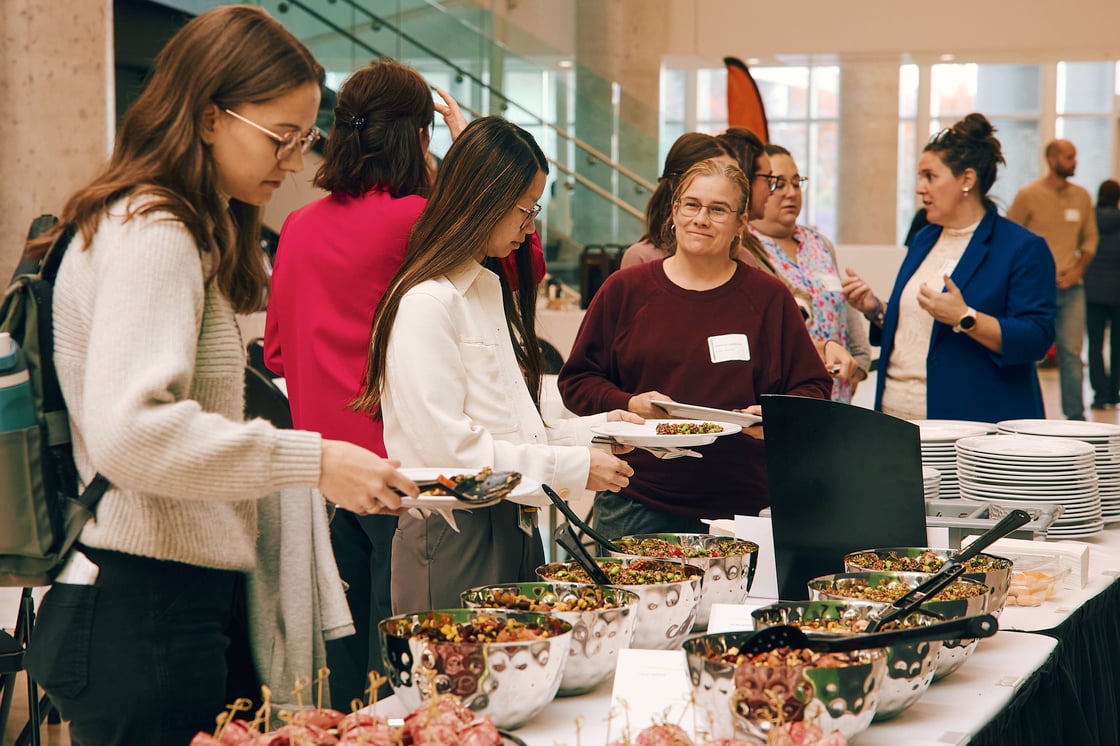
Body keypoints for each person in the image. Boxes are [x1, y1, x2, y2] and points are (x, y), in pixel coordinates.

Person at [20, 7, 417, 745]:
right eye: (280, 138)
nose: (294, 163)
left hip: (145, 596)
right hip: (143, 606)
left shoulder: (151, 222)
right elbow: (133, 434)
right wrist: (314, 459)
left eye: (305, 140)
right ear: (208, 117)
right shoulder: (157, 231)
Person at [352, 116, 637, 613]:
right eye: (524, 210)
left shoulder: (485, 286)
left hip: (512, 520)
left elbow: (509, 429)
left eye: (535, 209)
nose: (531, 228)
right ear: (483, 199)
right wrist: (573, 466)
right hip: (456, 530)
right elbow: (456, 456)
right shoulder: (426, 304)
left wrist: (597, 431)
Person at [262, 59, 465, 708]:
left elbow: (275, 353)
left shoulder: (297, 226)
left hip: (320, 471)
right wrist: (465, 165)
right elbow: (514, 266)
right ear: (418, 136)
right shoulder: (421, 219)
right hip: (404, 469)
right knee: (408, 668)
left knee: (344, 668)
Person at [558, 158, 831, 536]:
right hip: (637, 501)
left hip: (744, 508)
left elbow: (813, 389)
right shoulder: (625, 290)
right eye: (692, 205)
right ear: (674, 210)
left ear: (740, 223)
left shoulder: (769, 298)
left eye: (718, 210)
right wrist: (627, 403)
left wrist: (776, 417)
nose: (701, 219)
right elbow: (578, 381)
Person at [842, 113, 1057, 423]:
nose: (919, 188)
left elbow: (1036, 338)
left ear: (966, 180)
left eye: (930, 176)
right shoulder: (925, 237)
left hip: (969, 426)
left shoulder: (1021, 247)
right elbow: (921, 327)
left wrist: (965, 318)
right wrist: (876, 310)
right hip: (897, 418)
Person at [749, 144, 870, 402]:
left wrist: (858, 366)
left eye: (796, 182)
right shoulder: (746, 249)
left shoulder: (819, 244)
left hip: (838, 397)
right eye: (778, 184)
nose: (791, 193)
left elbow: (843, 310)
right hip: (785, 397)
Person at [1007, 139, 1098, 420]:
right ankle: (1025, 418)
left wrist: (1077, 271)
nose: (1075, 162)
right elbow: (1010, 238)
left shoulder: (1082, 196)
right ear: (1052, 159)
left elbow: (1091, 239)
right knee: (1027, 353)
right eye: (1070, 157)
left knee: (1071, 355)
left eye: (1076, 156)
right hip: (1035, 291)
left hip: (1072, 290)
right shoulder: (1028, 195)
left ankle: (1075, 419)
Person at [619, 132, 762, 268]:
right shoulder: (641, 258)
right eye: (710, 172)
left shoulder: (743, 259)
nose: (726, 182)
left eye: (733, 175)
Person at [1085, 179, 1120, 409]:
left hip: (1091, 291)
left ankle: (1098, 394)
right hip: (1117, 293)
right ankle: (1112, 392)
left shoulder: (1089, 219)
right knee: (1117, 345)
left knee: (1095, 344)